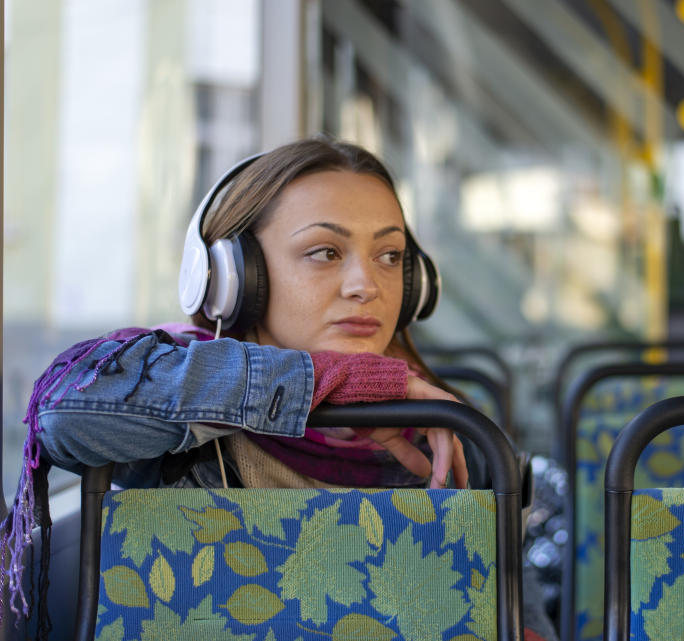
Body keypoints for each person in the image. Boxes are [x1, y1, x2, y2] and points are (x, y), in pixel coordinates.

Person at [1, 137, 556, 640]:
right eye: (325, 252)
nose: (367, 285)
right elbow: (65, 412)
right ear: (234, 278)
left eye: (390, 257)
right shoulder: (183, 415)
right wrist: (325, 380)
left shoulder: (454, 437)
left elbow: (521, 627)